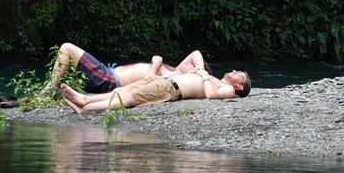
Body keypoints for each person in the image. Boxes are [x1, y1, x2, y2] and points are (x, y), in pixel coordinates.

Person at [37, 43, 208, 96]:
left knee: (66, 48)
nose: (190, 62)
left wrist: (155, 65)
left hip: (108, 79)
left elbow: (145, 84)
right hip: (107, 74)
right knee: (66, 68)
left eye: (192, 66)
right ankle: (51, 90)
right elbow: (196, 52)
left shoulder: (174, 78)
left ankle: (48, 90)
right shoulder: (175, 69)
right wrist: (199, 68)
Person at [60, 68, 251, 114]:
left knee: (129, 97)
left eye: (239, 75)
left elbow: (210, 95)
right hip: (164, 80)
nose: (234, 71)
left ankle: (85, 105)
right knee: (122, 90)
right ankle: (84, 99)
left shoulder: (227, 89)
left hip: (170, 89)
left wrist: (204, 75)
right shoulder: (217, 79)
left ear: (239, 87)